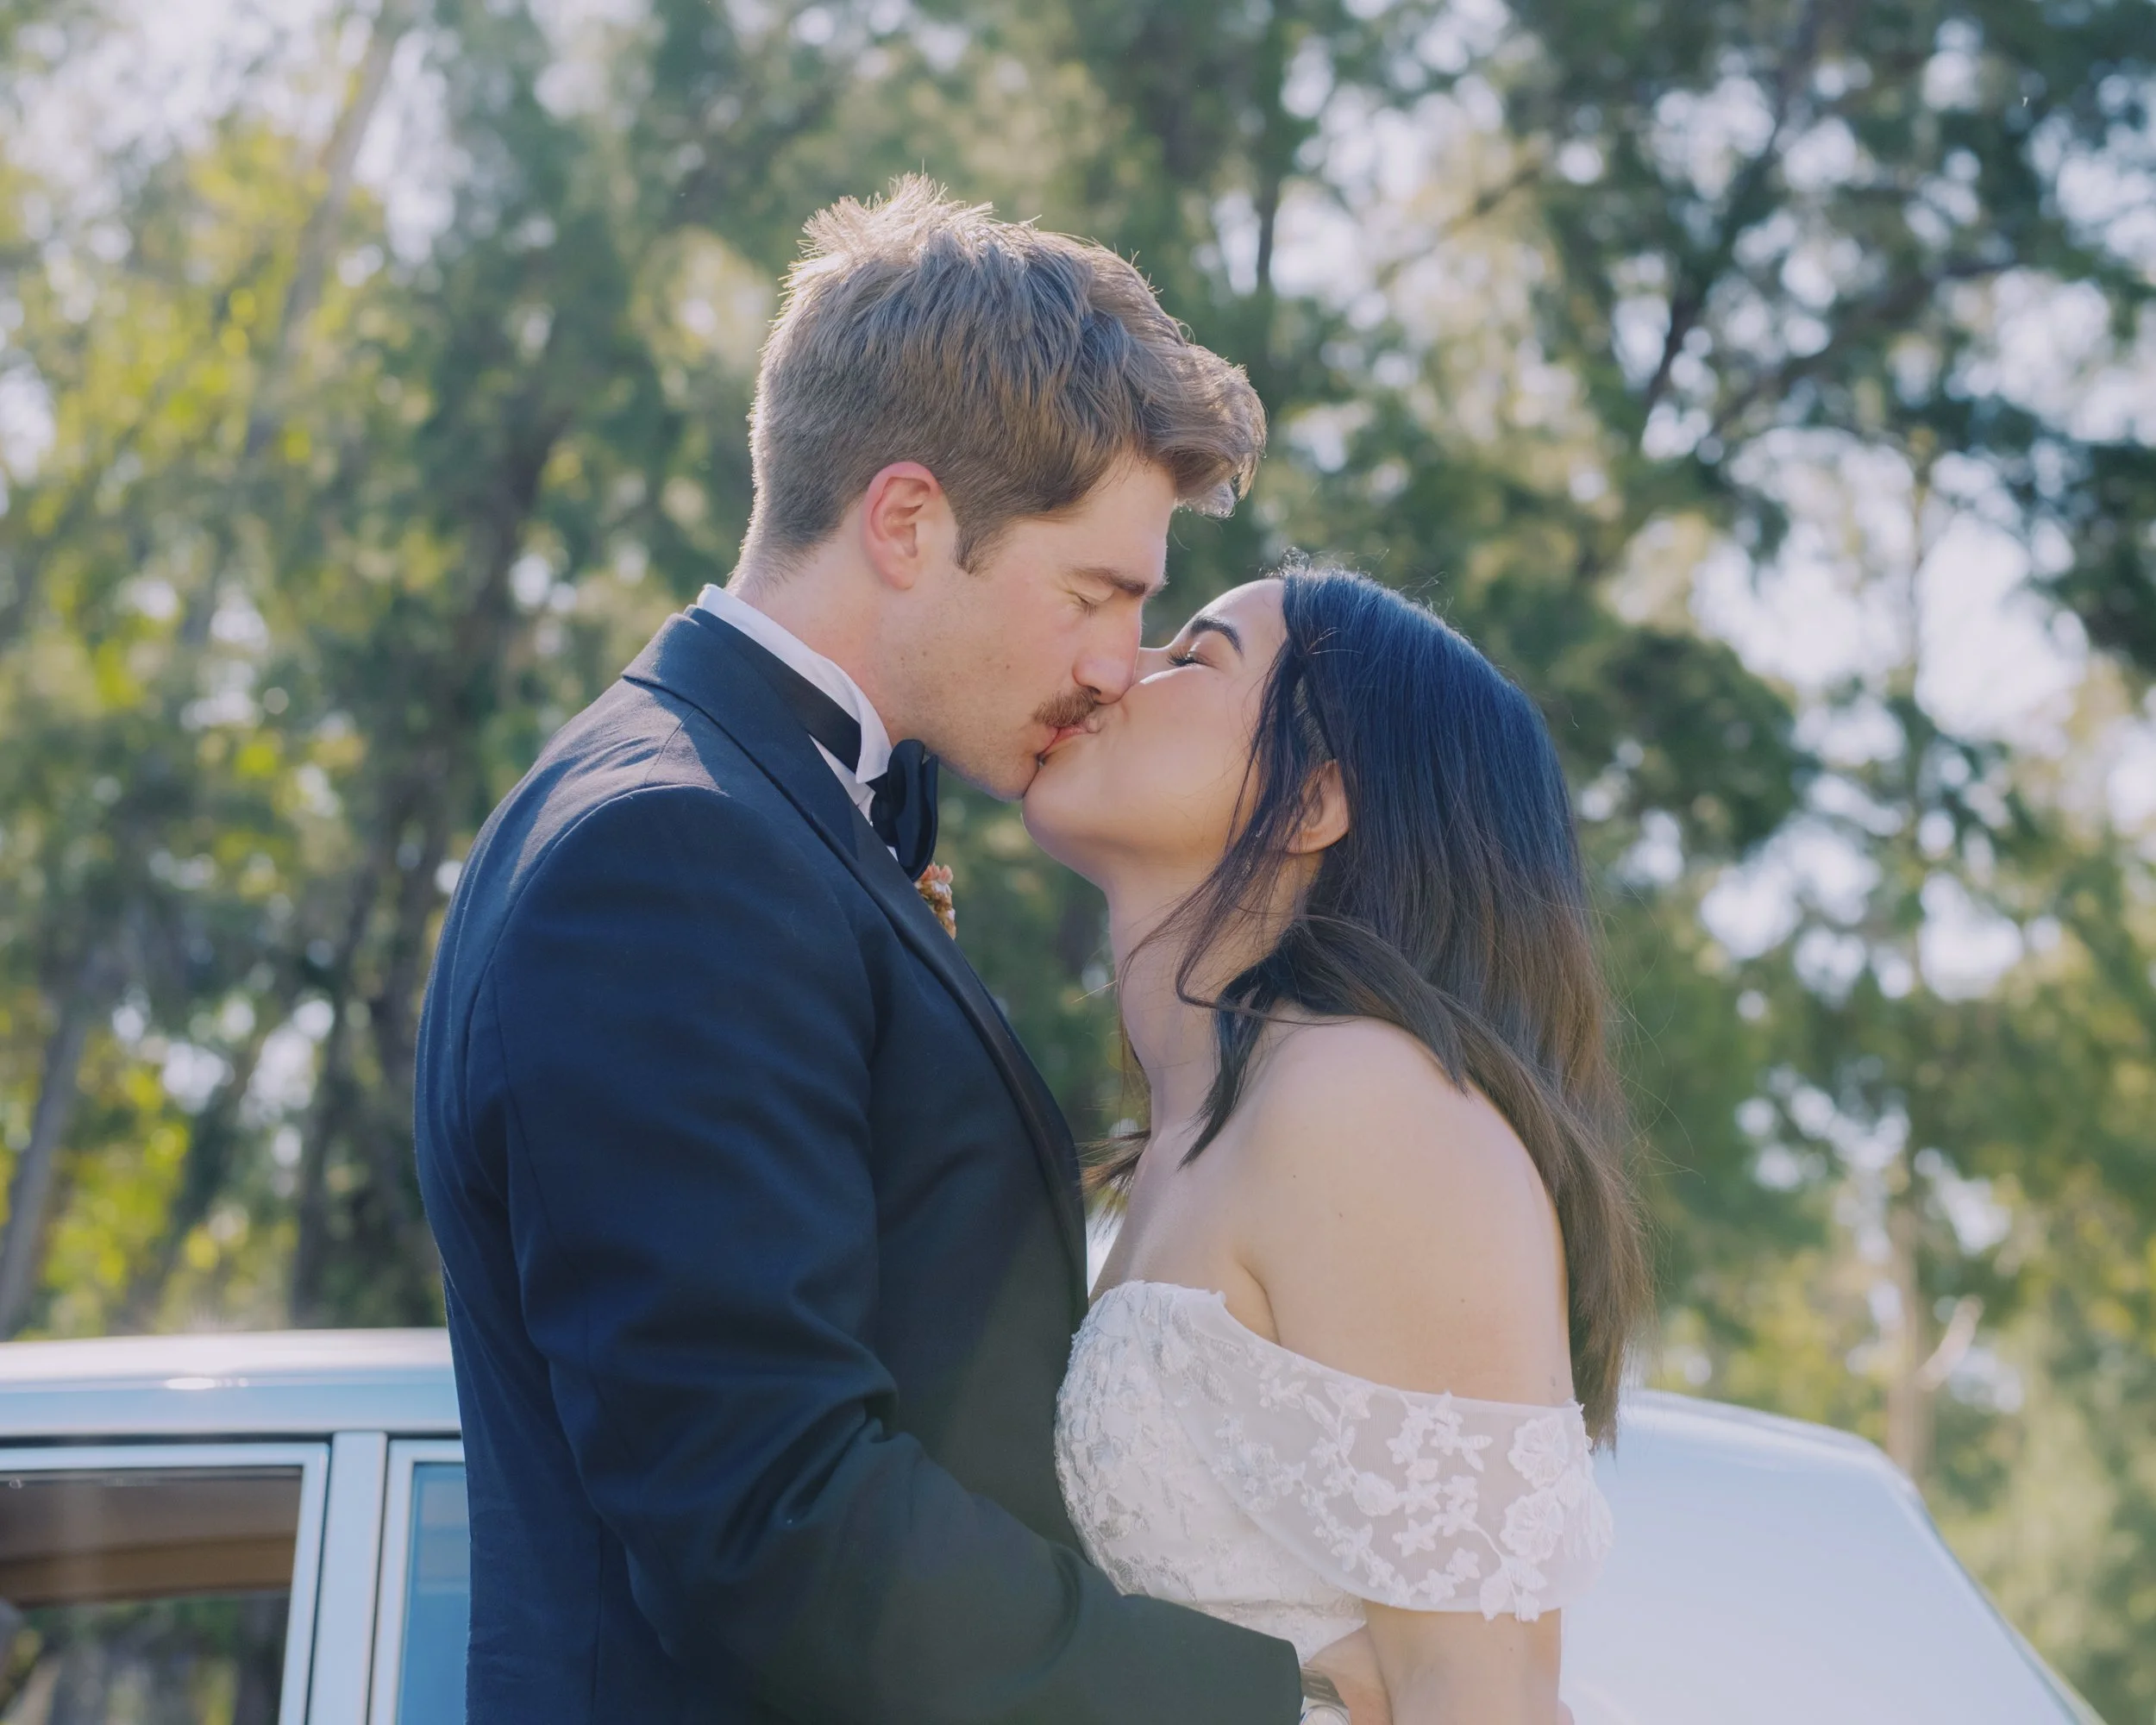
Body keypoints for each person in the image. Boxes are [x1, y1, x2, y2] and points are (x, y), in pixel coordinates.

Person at [413, 179, 1385, 1722]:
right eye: (1098, 592)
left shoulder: (764, 811)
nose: (1119, 663)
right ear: (910, 523)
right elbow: (768, 1522)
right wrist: (1258, 1707)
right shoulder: (667, 858)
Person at [1025, 568, 1651, 1723]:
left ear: (1315, 801)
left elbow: (1481, 1696)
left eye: (1194, 658)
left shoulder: (1363, 1102)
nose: (1120, 668)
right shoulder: (1195, 1137)